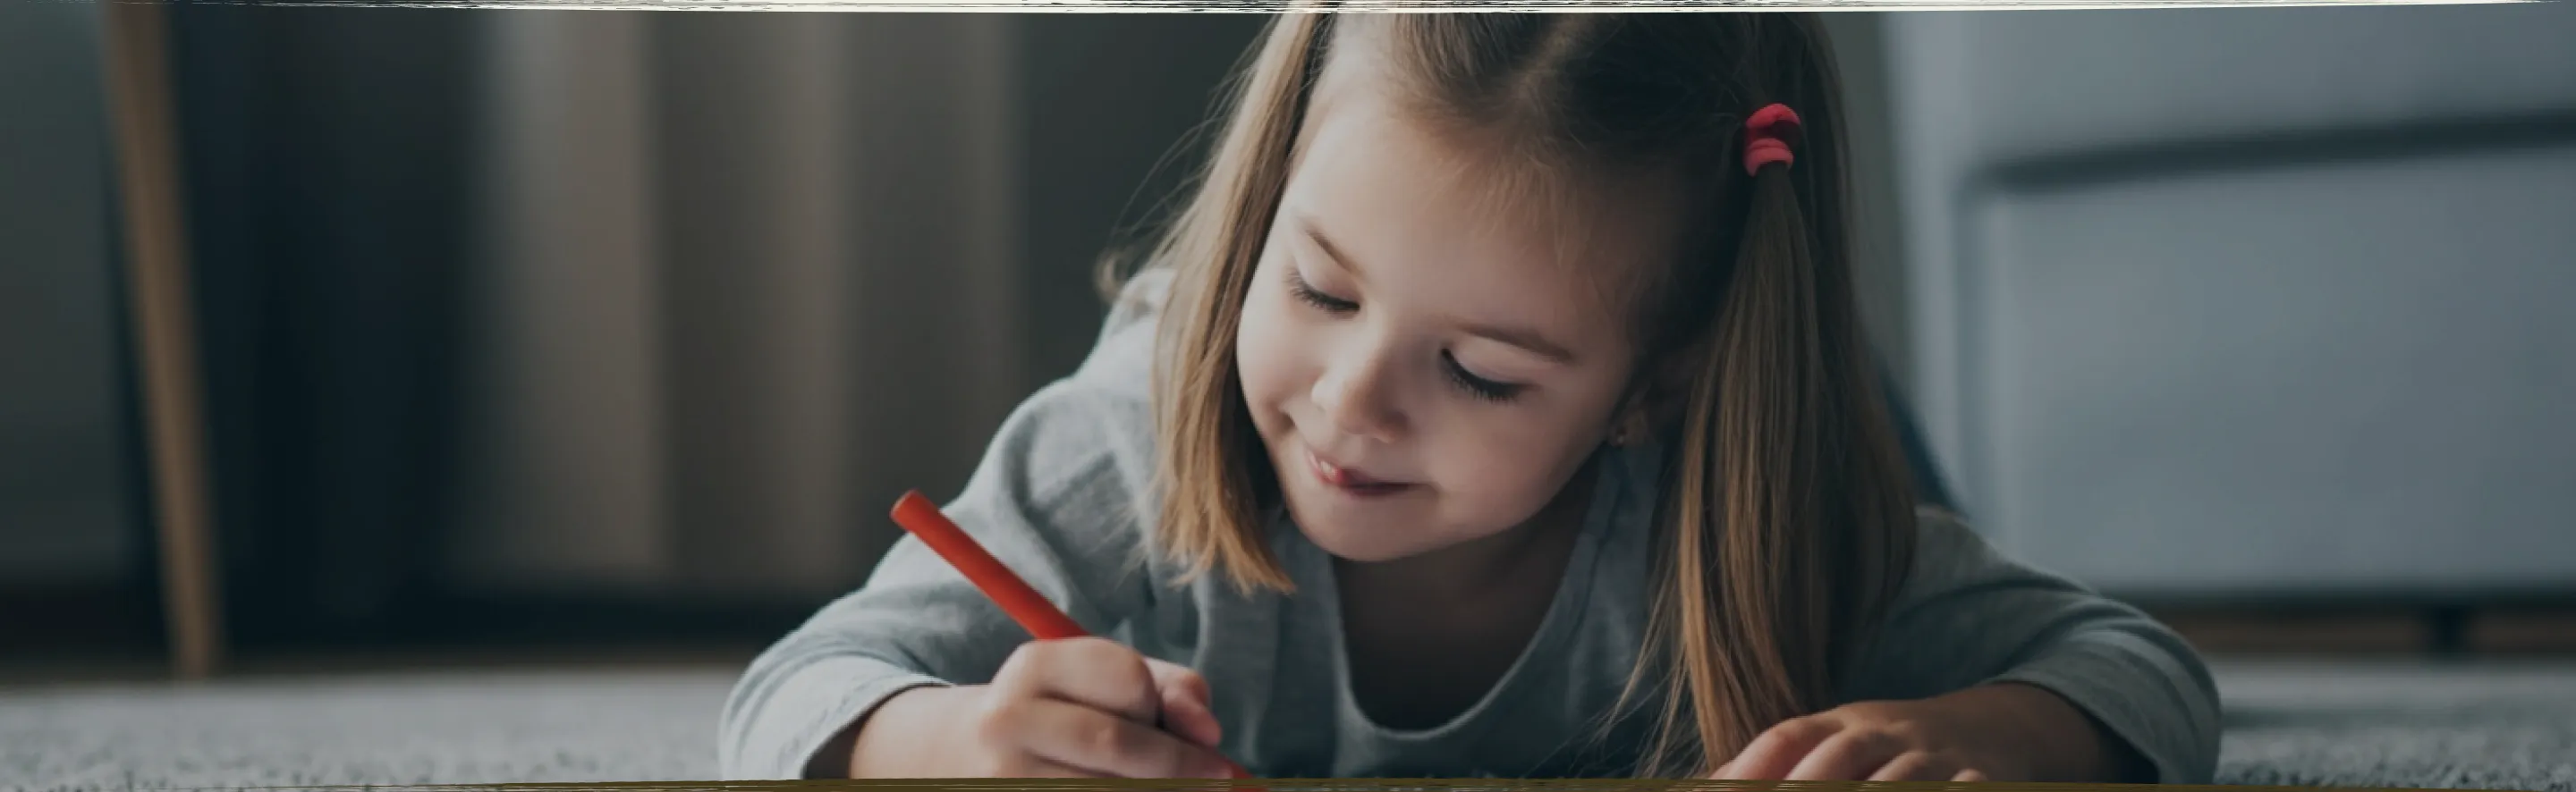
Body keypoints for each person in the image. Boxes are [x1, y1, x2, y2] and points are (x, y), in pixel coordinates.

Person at [717, 11, 2219, 783]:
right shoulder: (1118, 457)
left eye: (1482, 370)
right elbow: (792, 689)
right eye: (1316, 286)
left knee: (1850, 451)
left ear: (1648, 389)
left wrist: (2002, 732)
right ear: (1260, 212)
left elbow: (2136, 662)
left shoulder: (1725, 498)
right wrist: (944, 741)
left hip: (1779, 407)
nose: (1353, 403)